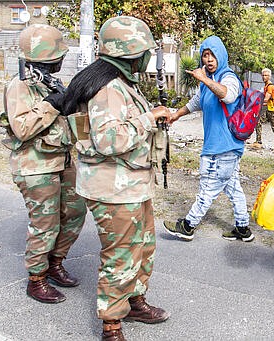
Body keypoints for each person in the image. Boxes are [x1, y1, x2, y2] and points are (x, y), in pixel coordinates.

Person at [62, 16, 170, 340]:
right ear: (130, 52)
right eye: (145, 51)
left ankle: (135, 302)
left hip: (131, 184)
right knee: (120, 256)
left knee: (143, 248)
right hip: (113, 188)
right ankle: (111, 326)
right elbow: (109, 141)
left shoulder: (122, 83)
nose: (147, 57)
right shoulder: (108, 89)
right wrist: (149, 119)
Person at [2, 24, 86, 304]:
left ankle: (55, 263)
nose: (63, 59)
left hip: (61, 159)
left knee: (75, 211)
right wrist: (51, 104)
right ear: (48, 57)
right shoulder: (20, 86)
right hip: (35, 166)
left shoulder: (51, 82)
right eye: (59, 55)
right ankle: (36, 279)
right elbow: (22, 128)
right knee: (45, 223)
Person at [162, 36, 254, 243]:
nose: (209, 59)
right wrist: (177, 115)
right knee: (233, 187)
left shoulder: (228, 76)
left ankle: (188, 226)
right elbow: (197, 101)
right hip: (224, 146)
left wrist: (204, 79)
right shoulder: (209, 80)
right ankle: (243, 228)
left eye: (213, 55)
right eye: (205, 55)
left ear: (221, 55)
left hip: (222, 146)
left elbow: (228, 95)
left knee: (208, 187)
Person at [248, 68, 274, 154]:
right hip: (269, 110)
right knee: (257, 122)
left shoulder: (270, 86)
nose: (264, 77)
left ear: (270, 76)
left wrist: (255, 102)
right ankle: (258, 142)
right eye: (263, 75)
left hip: (273, 111)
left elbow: (265, 100)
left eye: (266, 75)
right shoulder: (266, 86)